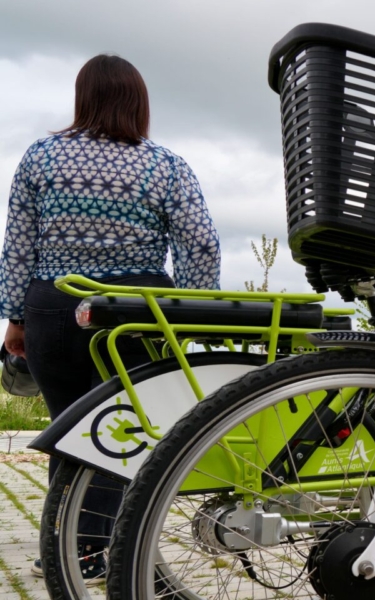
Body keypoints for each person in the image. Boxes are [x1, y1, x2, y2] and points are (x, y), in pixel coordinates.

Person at [0, 55, 220, 580]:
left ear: (83, 98)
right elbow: (202, 245)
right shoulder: (165, 165)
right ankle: (96, 552)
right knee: (121, 432)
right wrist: (189, 312)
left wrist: (13, 317)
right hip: (136, 313)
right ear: (139, 103)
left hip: (52, 306)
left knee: (69, 428)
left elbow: (18, 246)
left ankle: (61, 549)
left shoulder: (41, 157)